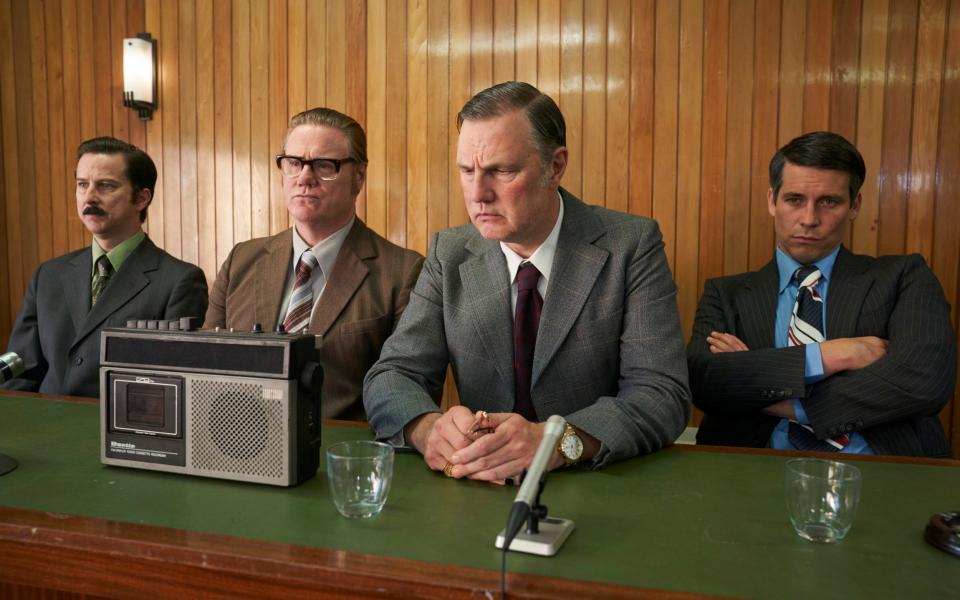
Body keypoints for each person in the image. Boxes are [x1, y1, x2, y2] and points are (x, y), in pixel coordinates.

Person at [364, 81, 691, 480]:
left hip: (595, 484)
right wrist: (427, 428)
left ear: (555, 167)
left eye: (501, 171)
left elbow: (661, 395)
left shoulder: (631, 245)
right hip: (478, 487)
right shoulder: (449, 252)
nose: (478, 194)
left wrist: (556, 441)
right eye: (467, 171)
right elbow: (393, 375)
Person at [687, 131, 956, 457]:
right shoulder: (725, 294)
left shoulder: (903, 277)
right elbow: (705, 382)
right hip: (753, 473)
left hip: (887, 471)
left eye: (829, 202)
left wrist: (770, 395)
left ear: (854, 205)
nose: (810, 219)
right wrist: (838, 354)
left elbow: (924, 382)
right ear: (772, 201)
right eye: (794, 199)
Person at [205, 107, 423, 420]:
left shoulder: (402, 273)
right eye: (293, 163)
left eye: (324, 165)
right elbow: (204, 365)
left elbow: (406, 391)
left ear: (358, 176)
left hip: (336, 453)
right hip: (236, 447)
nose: (305, 178)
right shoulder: (241, 260)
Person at [3, 137, 209, 398]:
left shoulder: (179, 281)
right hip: (41, 428)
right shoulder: (48, 275)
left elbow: (173, 387)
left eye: (105, 186)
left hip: (117, 433)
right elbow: (18, 372)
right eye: (82, 185)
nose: (89, 196)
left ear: (142, 198)